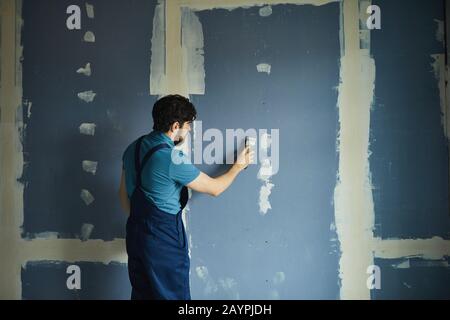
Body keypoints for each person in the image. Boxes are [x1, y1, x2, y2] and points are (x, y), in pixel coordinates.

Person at [118, 94, 253, 300]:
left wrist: (143, 225)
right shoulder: (172, 158)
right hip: (164, 241)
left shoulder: (132, 149)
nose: (189, 130)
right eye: (188, 125)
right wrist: (237, 167)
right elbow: (215, 188)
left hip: (136, 236)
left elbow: (123, 195)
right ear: (175, 126)